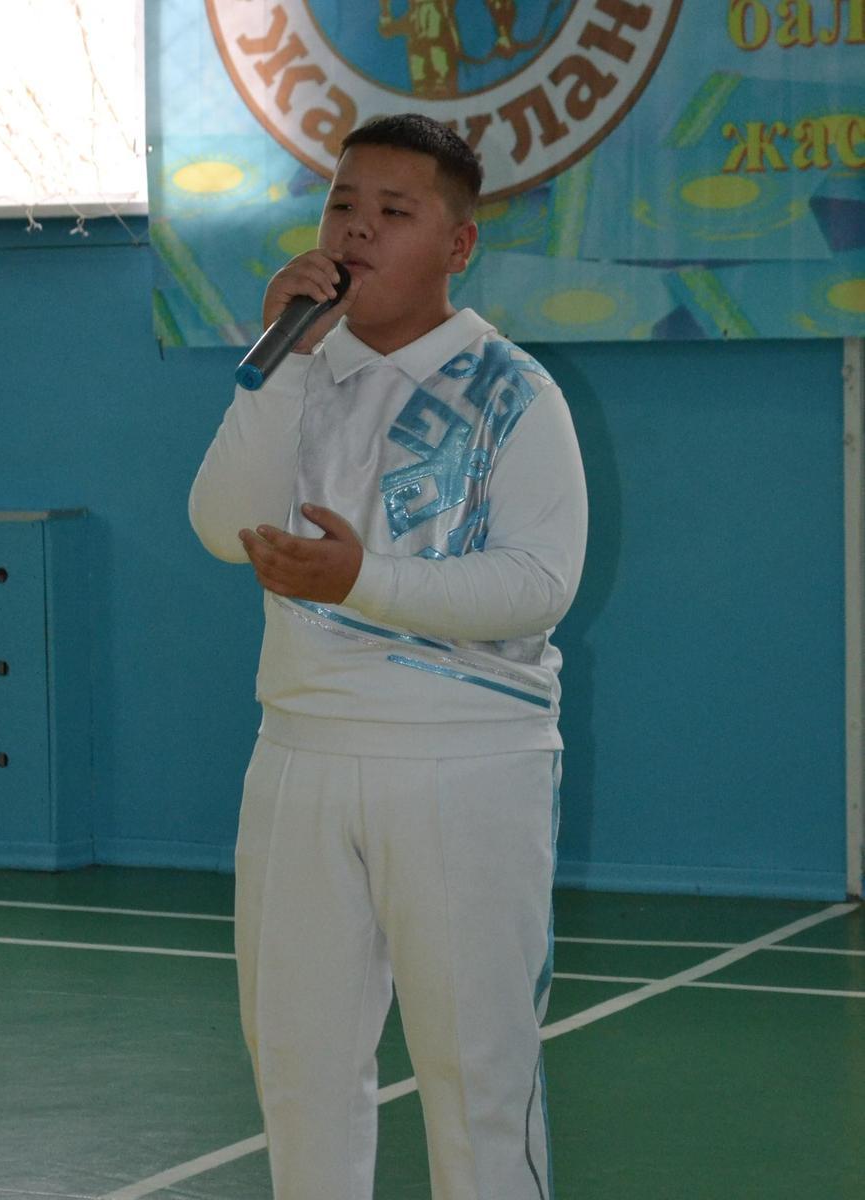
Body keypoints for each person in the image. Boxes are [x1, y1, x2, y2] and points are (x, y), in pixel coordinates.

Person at [188, 112, 588, 1200]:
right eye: (342, 206)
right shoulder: (294, 370)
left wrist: (361, 581)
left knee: (476, 1075)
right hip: (298, 754)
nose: (355, 230)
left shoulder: (516, 393)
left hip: (468, 762)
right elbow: (222, 528)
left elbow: (538, 583)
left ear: (458, 245)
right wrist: (277, 369)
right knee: (299, 1069)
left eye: (393, 212)